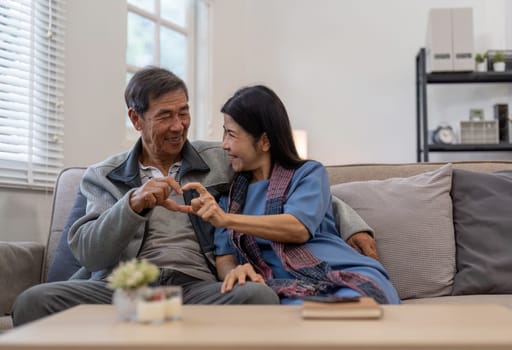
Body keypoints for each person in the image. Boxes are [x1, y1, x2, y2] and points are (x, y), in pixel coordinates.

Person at [11, 67, 377, 326]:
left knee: (260, 298)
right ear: (136, 120)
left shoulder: (219, 158)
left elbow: (287, 180)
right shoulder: (103, 177)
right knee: (32, 301)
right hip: (124, 288)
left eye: (183, 112)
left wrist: (352, 225)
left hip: (197, 286)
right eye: (165, 115)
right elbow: (90, 253)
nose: (178, 125)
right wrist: (133, 204)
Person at [180, 85, 400, 304]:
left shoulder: (308, 174)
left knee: (350, 308)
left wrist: (227, 220)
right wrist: (234, 273)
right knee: (292, 316)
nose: (224, 145)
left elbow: (298, 228)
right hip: (282, 288)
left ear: (265, 141)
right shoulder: (228, 201)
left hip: (342, 273)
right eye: (224, 132)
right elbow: (224, 258)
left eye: (231, 134)